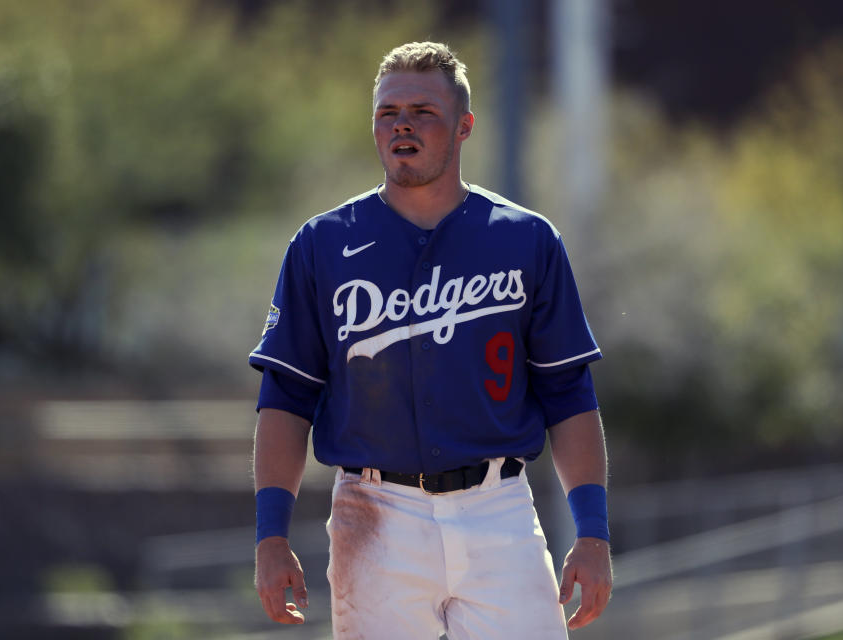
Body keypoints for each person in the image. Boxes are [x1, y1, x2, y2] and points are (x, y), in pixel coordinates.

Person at [249, 41, 612, 639]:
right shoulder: (323, 244)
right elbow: (286, 397)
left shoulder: (526, 240)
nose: (403, 126)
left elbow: (568, 391)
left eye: (423, 111)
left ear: (464, 126)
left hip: (500, 507)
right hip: (375, 512)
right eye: (388, 113)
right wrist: (271, 535)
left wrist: (592, 532)